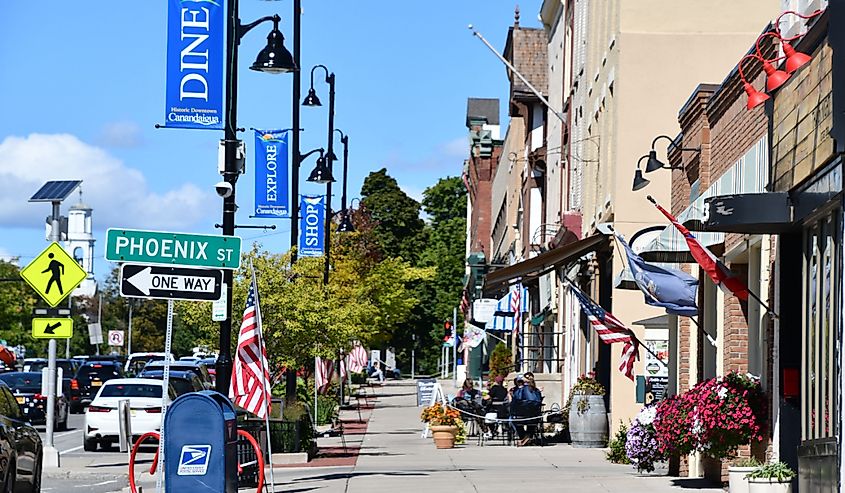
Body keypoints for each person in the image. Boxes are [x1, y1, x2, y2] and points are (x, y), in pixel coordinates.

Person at [511, 374, 543, 446]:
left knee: (514, 420)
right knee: (532, 421)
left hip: (520, 417)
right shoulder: (536, 391)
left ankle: (523, 437)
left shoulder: (519, 391)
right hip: (534, 417)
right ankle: (528, 437)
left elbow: (514, 402)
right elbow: (539, 402)